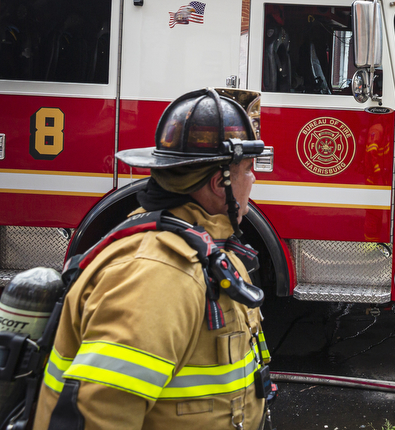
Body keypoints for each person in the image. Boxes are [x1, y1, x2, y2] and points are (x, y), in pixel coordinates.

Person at [33, 88, 272, 430]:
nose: (254, 179)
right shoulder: (155, 276)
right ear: (221, 181)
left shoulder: (210, 251)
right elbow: (99, 418)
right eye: (249, 168)